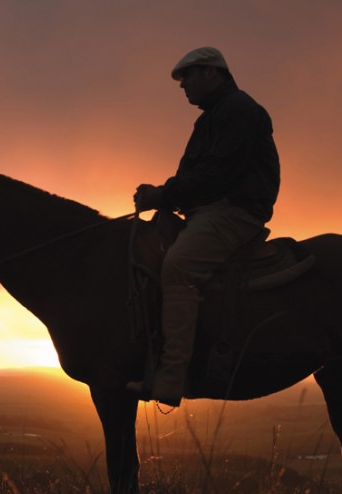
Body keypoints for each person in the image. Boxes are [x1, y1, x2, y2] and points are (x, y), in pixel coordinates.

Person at [127, 47, 281, 406]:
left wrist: (162, 195)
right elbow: (199, 177)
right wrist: (167, 197)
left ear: (213, 73)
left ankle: (172, 375)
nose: (183, 87)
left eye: (189, 77)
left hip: (233, 213)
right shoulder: (215, 116)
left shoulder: (239, 111)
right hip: (207, 211)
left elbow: (215, 174)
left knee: (178, 266)